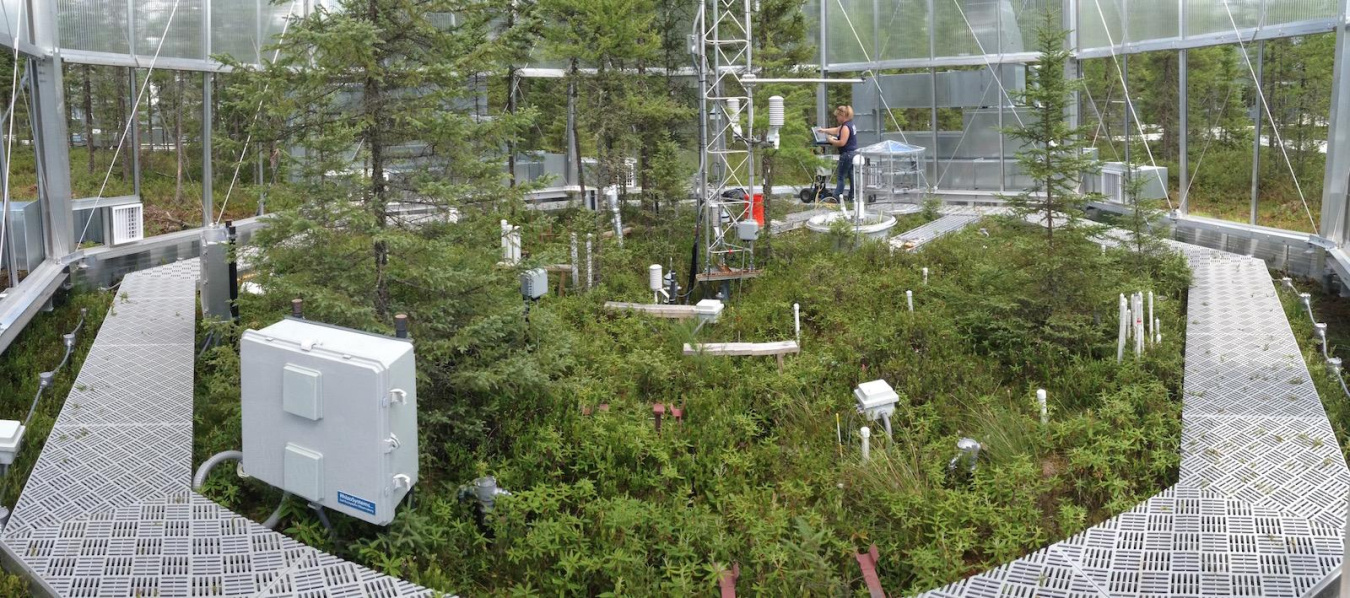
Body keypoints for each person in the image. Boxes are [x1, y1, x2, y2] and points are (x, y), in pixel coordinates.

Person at [815, 105, 858, 201]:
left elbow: (842, 142)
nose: (837, 118)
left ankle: (836, 196)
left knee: (841, 176)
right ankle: (852, 197)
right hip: (853, 153)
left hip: (847, 154)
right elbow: (836, 130)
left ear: (842, 115)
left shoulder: (846, 127)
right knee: (851, 176)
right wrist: (824, 130)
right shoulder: (849, 124)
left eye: (837, 116)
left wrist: (831, 140)